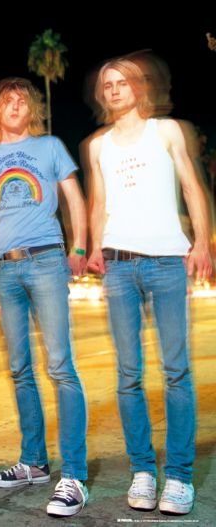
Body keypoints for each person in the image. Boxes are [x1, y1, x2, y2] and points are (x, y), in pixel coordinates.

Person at [86, 57, 212, 515]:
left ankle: (178, 476)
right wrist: (94, 247)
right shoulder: (99, 146)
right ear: (102, 94)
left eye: (122, 82)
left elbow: (192, 187)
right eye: (107, 85)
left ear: (138, 88)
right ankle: (142, 471)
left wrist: (202, 242)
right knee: (129, 374)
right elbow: (99, 202)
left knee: (176, 371)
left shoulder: (166, 132)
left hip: (167, 263)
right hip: (119, 266)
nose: (115, 90)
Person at [0, 77, 89, 518]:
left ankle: (74, 475)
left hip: (47, 261)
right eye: (7, 101)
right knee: (20, 368)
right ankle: (34, 462)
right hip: (8, 270)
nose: (15, 105)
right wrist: (2, 243)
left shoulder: (50, 147)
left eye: (22, 100)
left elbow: (74, 198)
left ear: (31, 110)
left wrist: (79, 248)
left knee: (60, 366)